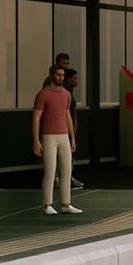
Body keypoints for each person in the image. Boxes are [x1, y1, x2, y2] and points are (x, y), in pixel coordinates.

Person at [32, 64, 81, 216]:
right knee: (50, 171)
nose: (60, 77)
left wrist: (72, 137)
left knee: (66, 170)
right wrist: (36, 140)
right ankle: (47, 204)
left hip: (63, 135)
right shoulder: (43, 94)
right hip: (48, 136)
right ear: (51, 75)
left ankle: (66, 204)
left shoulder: (66, 94)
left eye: (62, 75)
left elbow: (67, 115)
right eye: (58, 75)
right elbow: (36, 117)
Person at [45, 53, 84, 190]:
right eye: (63, 63)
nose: (66, 66)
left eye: (67, 63)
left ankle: (66, 178)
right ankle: (56, 179)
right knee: (56, 154)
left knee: (68, 153)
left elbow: (69, 108)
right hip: (56, 126)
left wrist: (74, 122)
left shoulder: (67, 90)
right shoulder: (50, 85)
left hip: (66, 125)